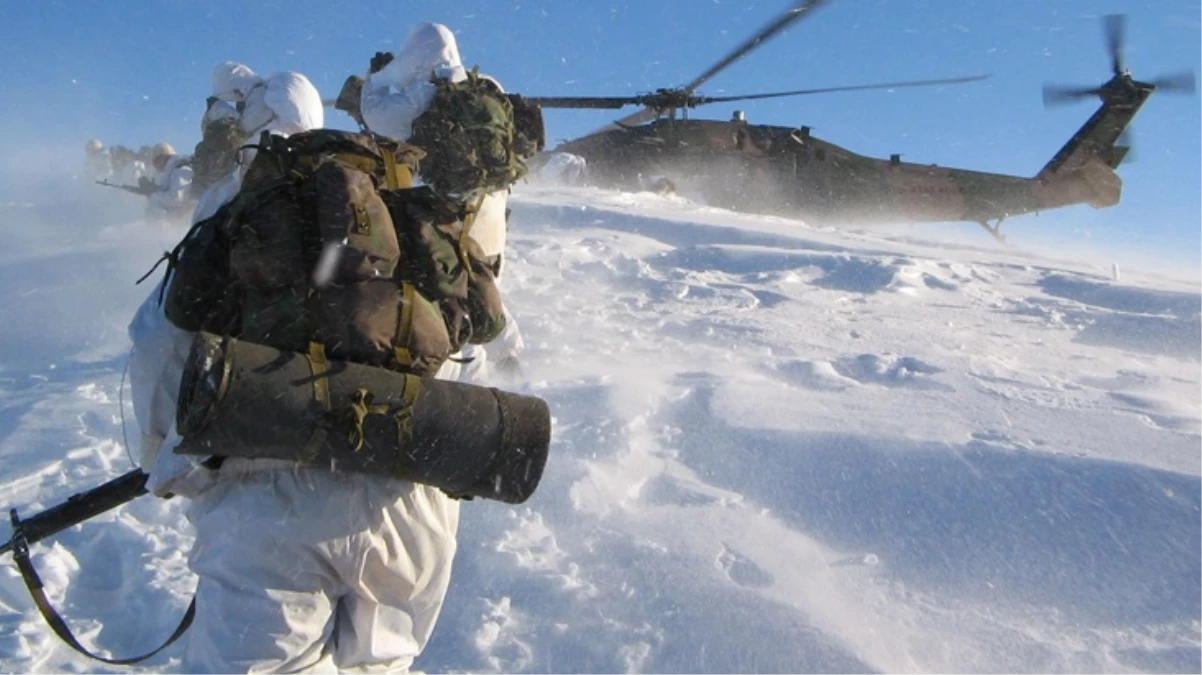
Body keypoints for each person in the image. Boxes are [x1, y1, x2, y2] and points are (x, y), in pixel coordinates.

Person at [128, 61, 467, 673]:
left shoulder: (238, 198)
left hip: (271, 496)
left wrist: (163, 458)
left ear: (255, 122)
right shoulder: (397, 191)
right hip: (409, 494)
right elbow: (458, 336)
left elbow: (159, 341)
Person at [361, 22, 527, 384]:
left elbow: (373, 113)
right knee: (482, 289)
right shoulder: (487, 90)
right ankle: (510, 363)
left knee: (446, 303)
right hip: (489, 223)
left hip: (445, 223)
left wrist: (380, 75)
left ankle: (464, 390)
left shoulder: (420, 97)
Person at [143, 143, 195, 223]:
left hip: (185, 217)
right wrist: (154, 189)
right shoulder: (172, 171)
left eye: (156, 161)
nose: (156, 166)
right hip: (179, 215)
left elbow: (176, 198)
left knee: (155, 211)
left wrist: (153, 195)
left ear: (163, 158)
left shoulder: (180, 170)